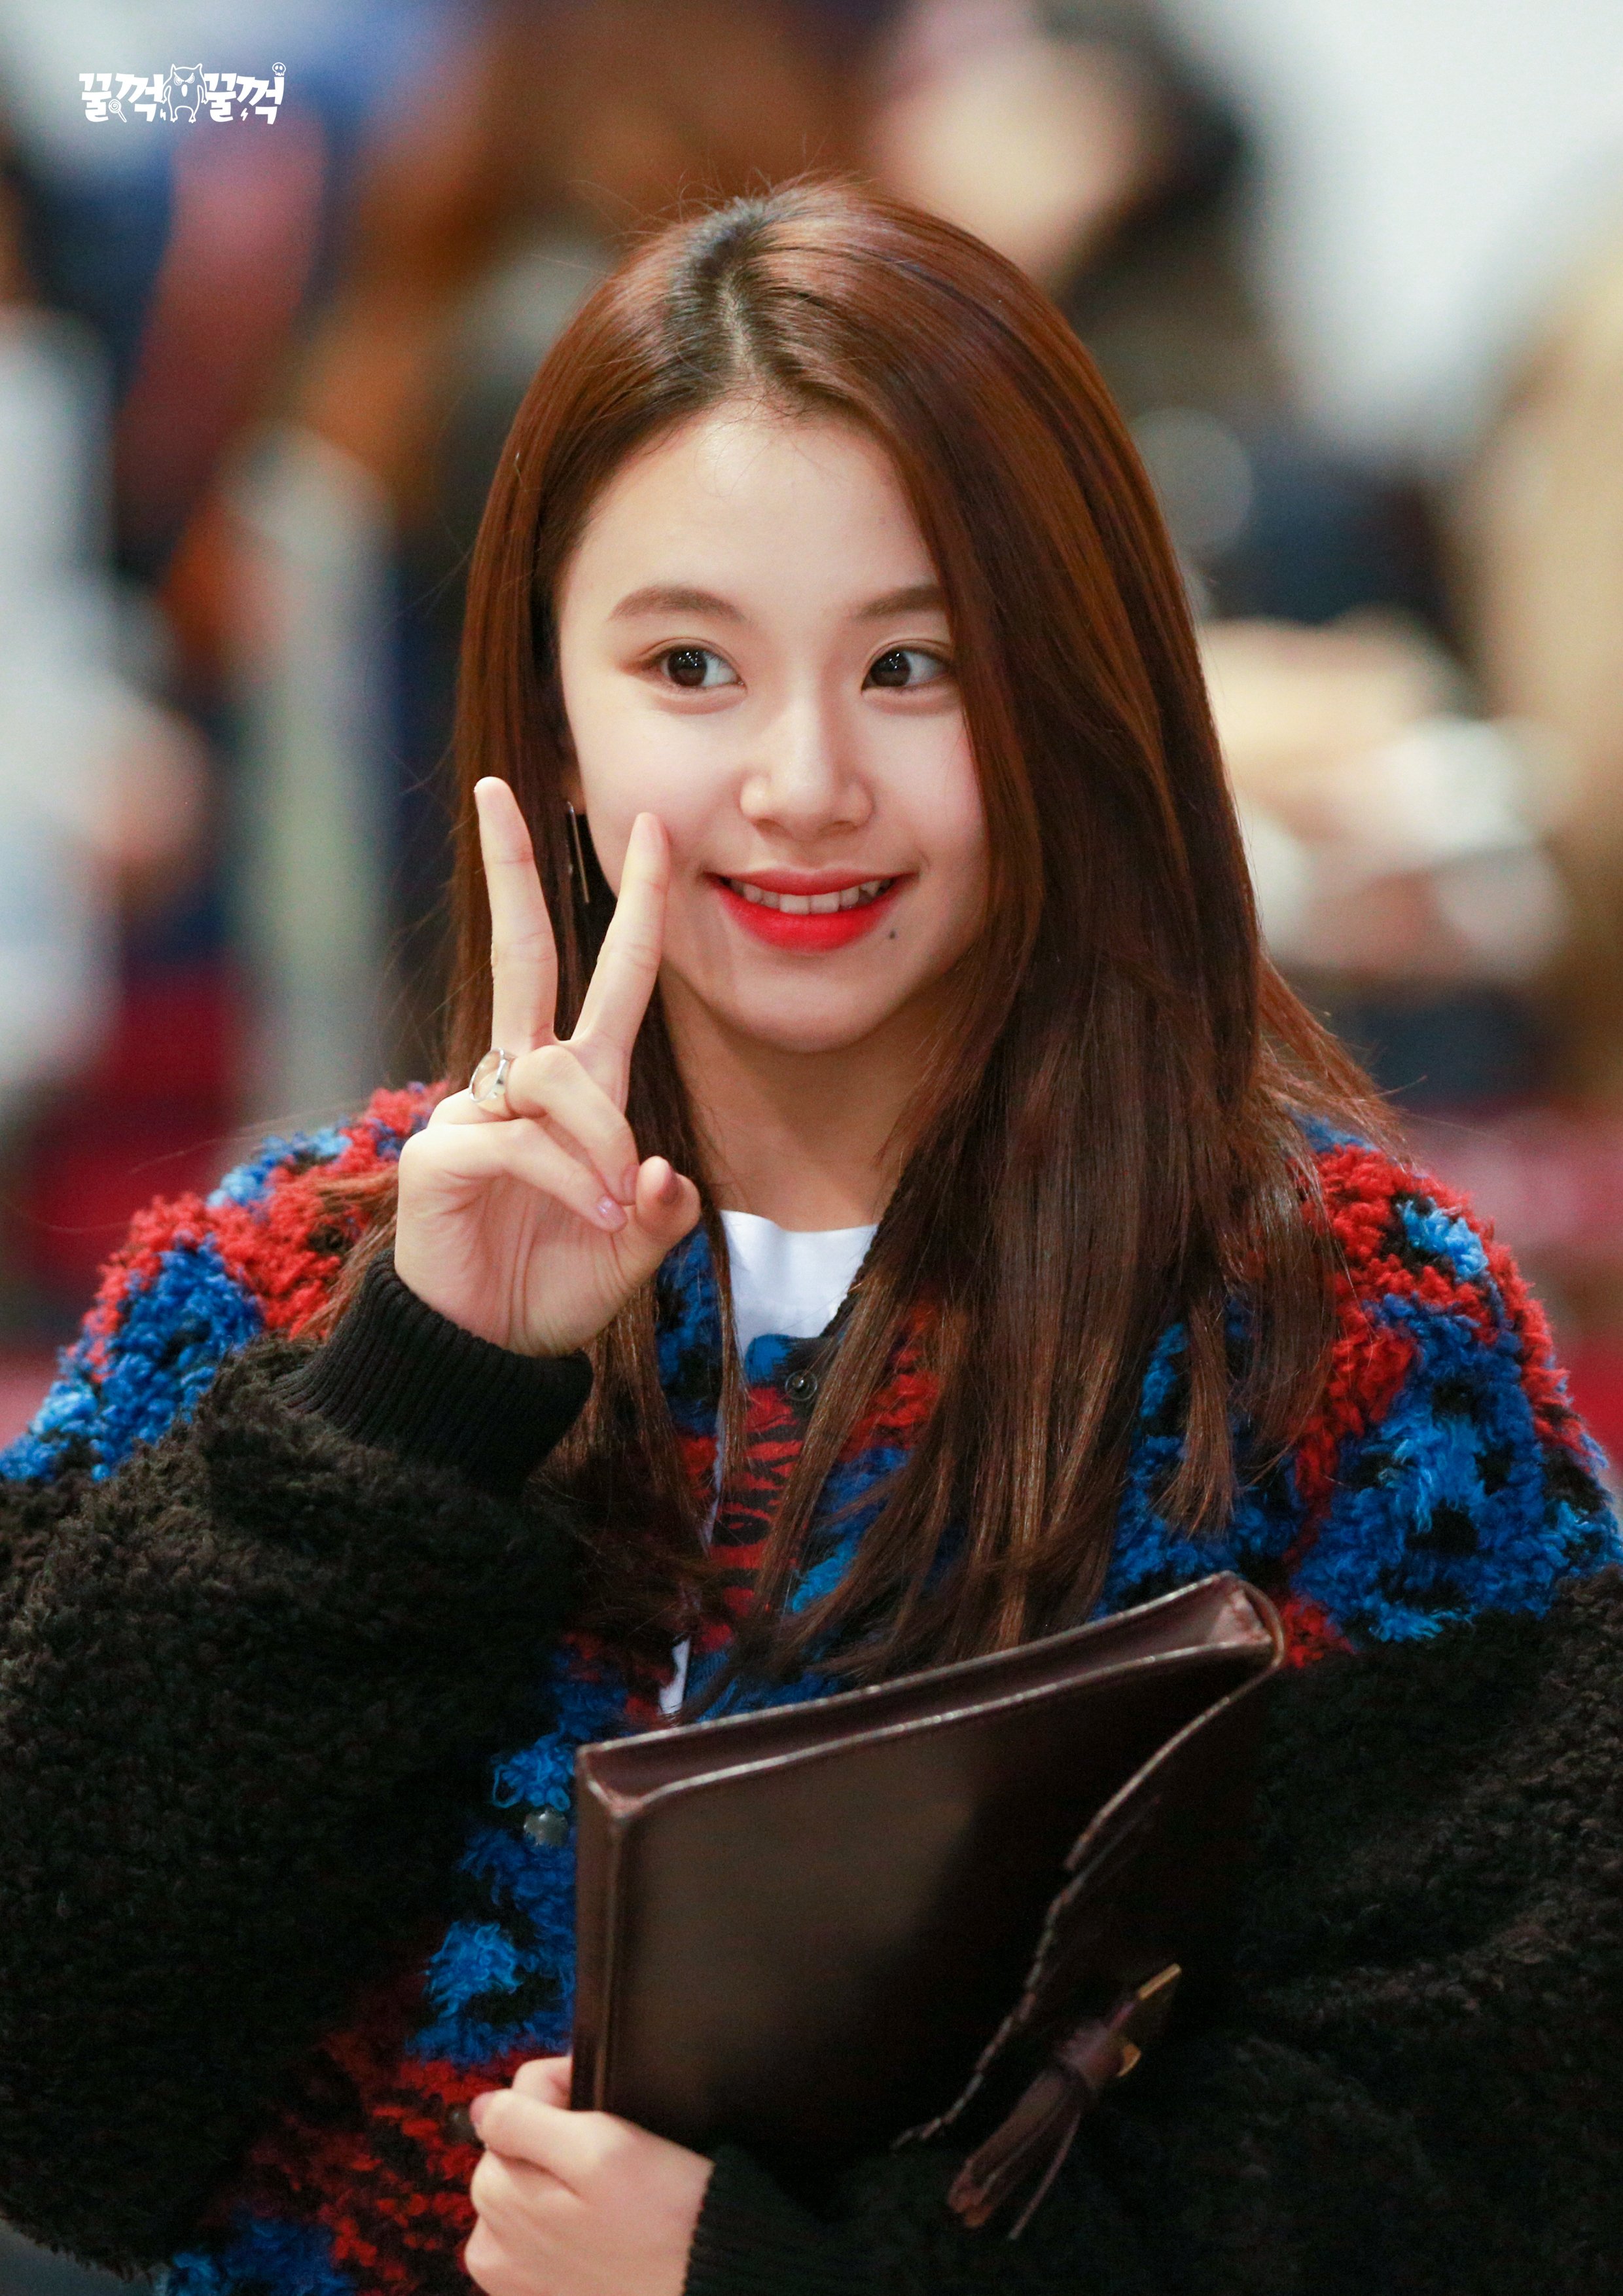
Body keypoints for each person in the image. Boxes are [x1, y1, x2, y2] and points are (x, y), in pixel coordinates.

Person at [1, 177, 1620, 2296]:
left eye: (913, 664)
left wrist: (769, 2270)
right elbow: (53, 2078)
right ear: (554, 717)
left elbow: (1497, 2161)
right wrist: (411, 1396)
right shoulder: (286, 1277)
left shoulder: (1350, 1336)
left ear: (1073, 690)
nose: (802, 779)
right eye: (689, 664)